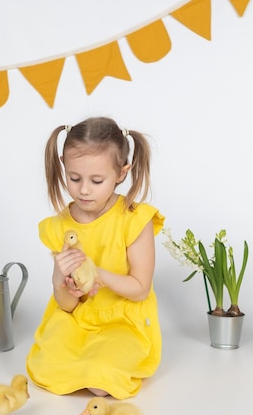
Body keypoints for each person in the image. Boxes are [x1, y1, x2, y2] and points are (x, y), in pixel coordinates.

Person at [26, 116, 165, 399]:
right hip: (78, 319)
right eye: (74, 178)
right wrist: (59, 282)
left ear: (122, 173)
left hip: (122, 321)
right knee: (48, 366)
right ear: (64, 167)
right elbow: (66, 306)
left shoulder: (134, 220)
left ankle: (98, 362)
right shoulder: (60, 226)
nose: (84, 190)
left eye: (97, 180)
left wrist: (97, 273)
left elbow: (140, 289)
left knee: (101, 383)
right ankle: (84, 360)